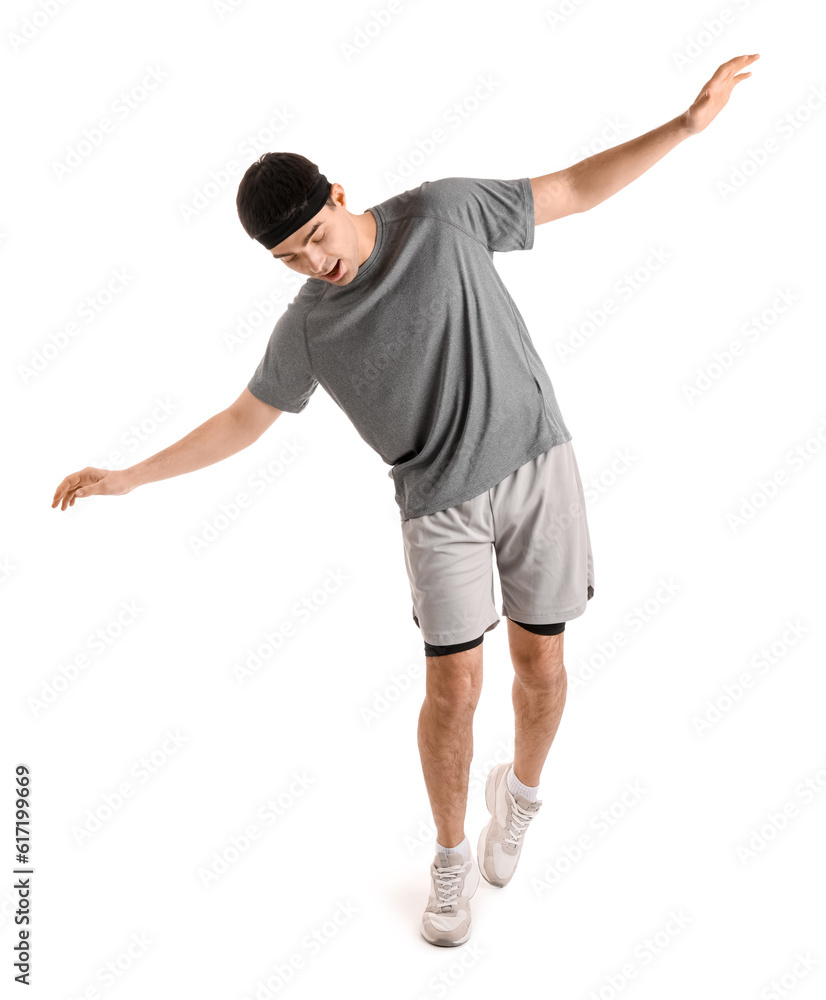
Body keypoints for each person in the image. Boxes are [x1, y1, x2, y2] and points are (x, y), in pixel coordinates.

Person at [52, 54, 759, 947]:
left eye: (316, 233)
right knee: (453, 690)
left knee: (542, 668)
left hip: (540, 467)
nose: (316, 259)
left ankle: (523, 798)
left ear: (341, 194)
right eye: (290, 255)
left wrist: (685, 126)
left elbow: (574, 186)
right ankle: (451, 857)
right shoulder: (308, 326)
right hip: (438, 509)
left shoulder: (445, 212)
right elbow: (242, 420)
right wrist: (128, 477)